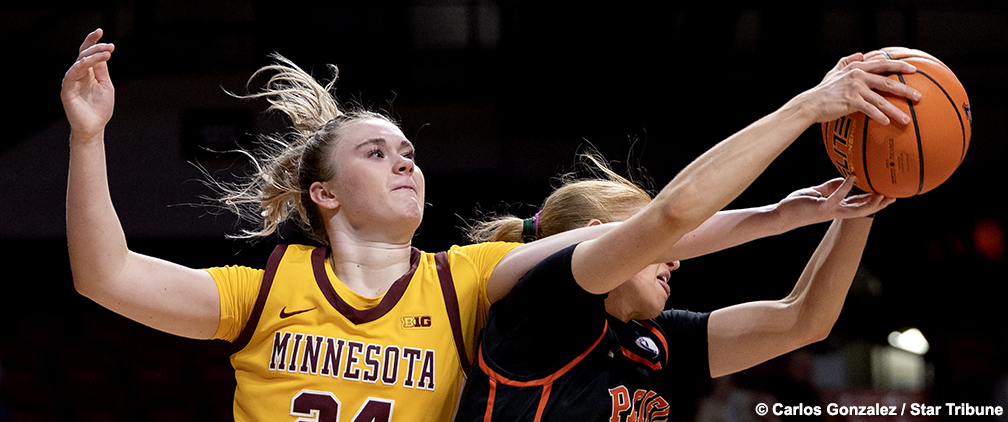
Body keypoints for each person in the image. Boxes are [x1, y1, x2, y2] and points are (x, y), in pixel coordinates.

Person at [62, 27, 917, 422]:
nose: (406, 160)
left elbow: (653, 234)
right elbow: (104, 275)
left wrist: (787, 216)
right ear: (322, 195)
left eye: (409, 150)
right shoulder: (263, 292)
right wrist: (89, 138)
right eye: (375, 152)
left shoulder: (461, 279)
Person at [454, 54, 917, 420]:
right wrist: (810, 106)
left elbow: (804, 321)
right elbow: (674, 213)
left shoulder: (651, 340)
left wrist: (869, 183)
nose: (675, 260)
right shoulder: (543, 307)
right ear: (594, 239)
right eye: (660, 249)